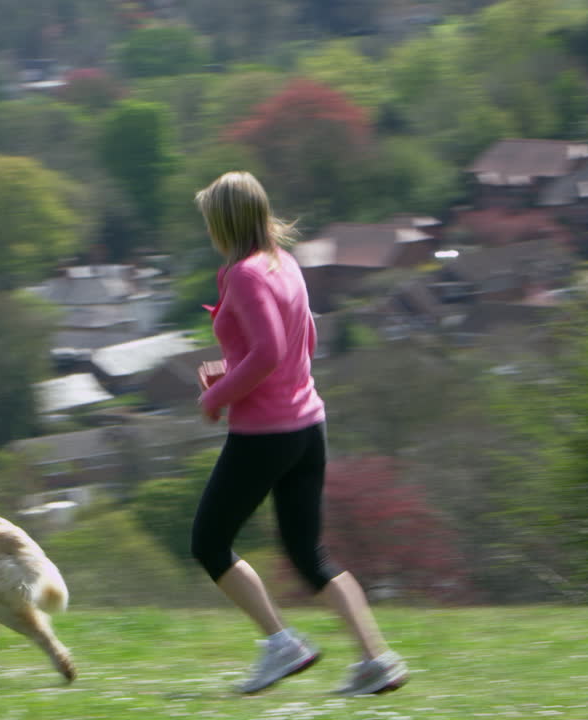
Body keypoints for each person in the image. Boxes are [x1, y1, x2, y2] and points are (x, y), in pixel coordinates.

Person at [191, 171, 408, 696]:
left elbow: (269, 351)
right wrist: (231, 369)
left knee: (209, 541)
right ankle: (376, 661)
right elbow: (302, 339)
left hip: (265, 434)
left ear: (224, 222)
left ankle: (280, 644)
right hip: (308, 426)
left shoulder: (243, 274)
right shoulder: (285, 262)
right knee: (309, 555)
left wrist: (216, 396)